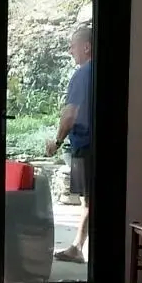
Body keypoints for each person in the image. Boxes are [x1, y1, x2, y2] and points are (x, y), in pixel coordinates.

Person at [45, 27, 93, 263]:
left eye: (73, 46)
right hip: (95, 145)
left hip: (85, 145)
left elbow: (70, 114)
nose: (70, 50)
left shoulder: (82, 74)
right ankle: (78, 246)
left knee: (88, 200)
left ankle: (77, 248)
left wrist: (56, 141)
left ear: (87, 47)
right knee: (89, 200)